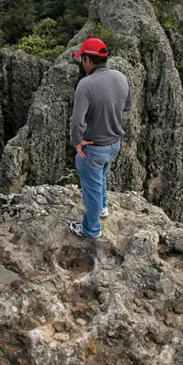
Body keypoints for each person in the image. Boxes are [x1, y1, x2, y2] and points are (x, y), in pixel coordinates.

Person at [68, 37, 132, 238]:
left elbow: (77, 121)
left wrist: (77, 142)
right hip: (114, 144)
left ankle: (91, 230)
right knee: (102, 177)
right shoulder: (121, 77)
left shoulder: (85, 85)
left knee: (91, 189)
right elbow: (127, 106)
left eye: (82, 59)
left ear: (87, 59)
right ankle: (103, 208)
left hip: (94, 147)